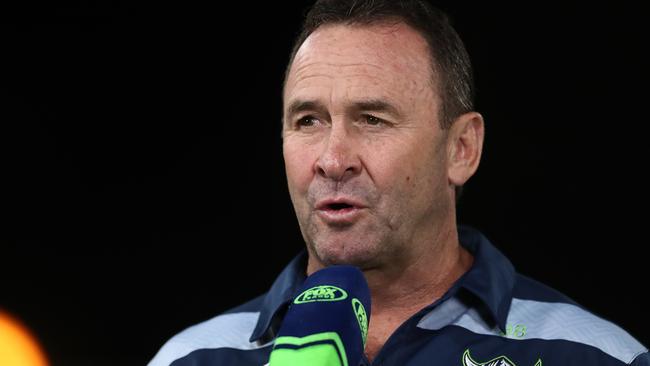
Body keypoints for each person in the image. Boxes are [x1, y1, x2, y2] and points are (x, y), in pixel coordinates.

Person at [148, 0, 649, 365]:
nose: (332, 158)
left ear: (462, 149)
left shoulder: (595, 356)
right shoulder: (191, 358)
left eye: (372, 119)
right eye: (307, 121)